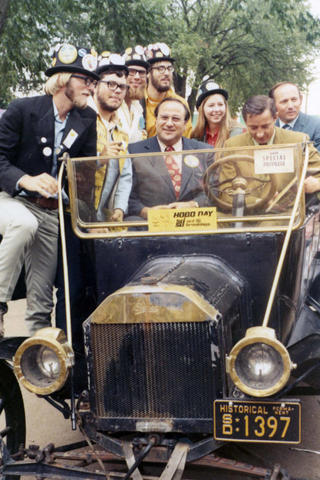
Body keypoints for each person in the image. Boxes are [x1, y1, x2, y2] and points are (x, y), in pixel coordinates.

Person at [0, 43, 98, 336]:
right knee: (23, 222)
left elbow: (86, 177)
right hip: (13, 200)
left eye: (93, 82)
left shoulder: (87, 120)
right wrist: (25, 180)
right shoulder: (22, 109)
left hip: (52, 212)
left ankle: (38, 364)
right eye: (85, 81)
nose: (91, 89)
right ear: (64, 79)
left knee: (42, 299)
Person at [218, 95, 320, 211]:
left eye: (265, 126)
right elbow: (224, 192)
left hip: (285, 215)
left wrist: (316, 183)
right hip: (244, 213)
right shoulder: (232, 146)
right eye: (253, 128)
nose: (260, 134)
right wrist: (259, 202)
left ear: (275, 118)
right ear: (245, 122)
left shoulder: (298, 142)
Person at [127, 97, 213, 220]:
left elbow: (215, 192)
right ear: (155, 120)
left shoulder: (205, 152)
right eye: (164, 118)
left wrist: (194, 205)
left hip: (195, 225)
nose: (169, 123)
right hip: (149, 227)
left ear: (185, 124)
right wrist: (145, 211)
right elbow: (126, 196)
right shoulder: (134, 151)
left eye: (176, 119)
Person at [88, 52, 132, 222]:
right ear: (96, 85)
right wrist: (100, 159)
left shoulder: (121, 131)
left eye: (122, 86)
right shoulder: (83, 120)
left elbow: (126, 176)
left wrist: (120, 208)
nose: (117, 91)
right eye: (111, 84)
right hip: (75, 215)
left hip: (101, 219)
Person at [144, 43, 192, 138]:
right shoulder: (137, 104)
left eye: (169, 68)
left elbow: (186, 141)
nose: (166, 73)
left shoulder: (181, 104)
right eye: (160, 68)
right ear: (148, 72)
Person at [191, 79, 244, 147]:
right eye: (211, 105)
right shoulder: (195, 137)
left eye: (220, 104)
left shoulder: (238, 133)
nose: (216, 109)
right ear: (201, 109)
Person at [269, 81, 320, 151]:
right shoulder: (268, 128)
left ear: (301, 100)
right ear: (273, 104)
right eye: (284, 101)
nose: (290, 106)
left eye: (294, 100)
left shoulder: (316, 125)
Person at [118, 45, 148, 142]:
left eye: (142, 72)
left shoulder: (138, 108)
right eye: (131, 72)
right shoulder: (111, 105)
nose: (137, 77)